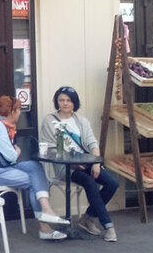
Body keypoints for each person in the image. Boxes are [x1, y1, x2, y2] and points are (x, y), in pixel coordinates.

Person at [0, 95, 70, 240]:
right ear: (12, 112)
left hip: (2, 169)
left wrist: (14, 151)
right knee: (34, 181)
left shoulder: (2, 126)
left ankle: (46, 210)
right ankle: (45, 226)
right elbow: (11, 156)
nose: (20, 113)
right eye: (18, 110)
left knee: (34, 166)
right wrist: (17, 151)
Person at [39, 86, 119, 242]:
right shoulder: (49, 121)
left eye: (69, 100)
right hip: (65, 167)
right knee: (89, 181)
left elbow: (92, 143)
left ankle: (88, 217)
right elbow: (51, 149)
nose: (65, 103)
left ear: (74, 103)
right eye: (61, 100)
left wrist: (96, 163)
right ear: (57, 102)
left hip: (86, 163)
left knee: (112, 183)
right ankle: (108, 226)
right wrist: (74, 164)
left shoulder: (81, 121)